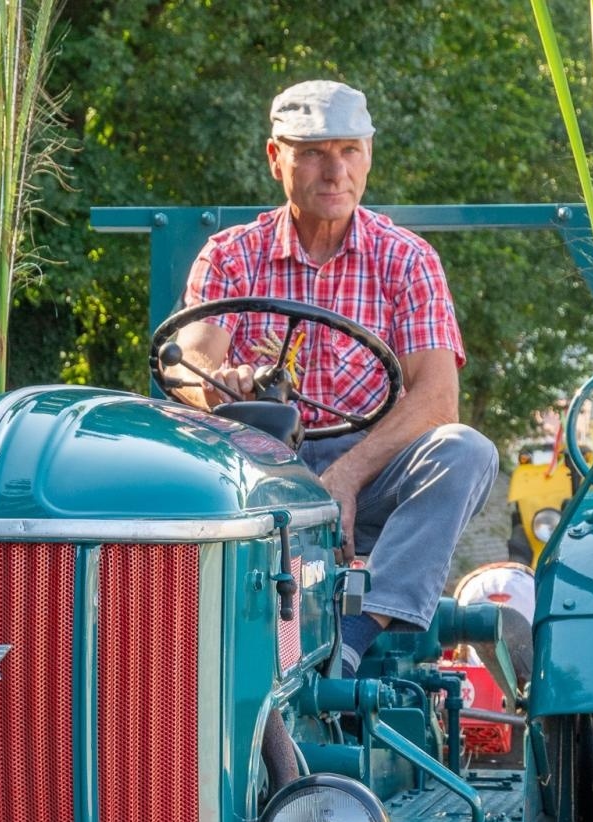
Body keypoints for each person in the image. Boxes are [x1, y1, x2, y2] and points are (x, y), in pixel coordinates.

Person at [171, 79, 499, 676]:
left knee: (465, 450)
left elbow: (436, 397)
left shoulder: (407, 259)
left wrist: (346, 477)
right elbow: (188, 364)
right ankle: (179, 643)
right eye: (314, 153)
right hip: (260, 471)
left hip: (371, 473)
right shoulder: (230, 256)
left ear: (369, 156)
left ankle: (361, 629)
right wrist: (224, 384)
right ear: (277, 158)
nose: (335, 171)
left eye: (349, 151)